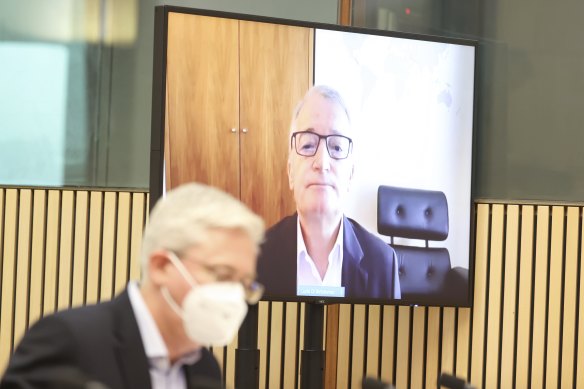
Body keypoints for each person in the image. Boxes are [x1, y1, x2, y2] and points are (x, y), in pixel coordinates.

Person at [1, 183, 265, 389]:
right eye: (222, 274)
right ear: (161, 266)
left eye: (244, 283)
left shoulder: (205, 371)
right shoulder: (71, 340)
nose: (235, 295)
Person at [257, 85, 400, 300]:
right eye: (307, 145)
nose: (322, 162)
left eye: (336, 147)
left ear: (350, 174)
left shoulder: (383, 264)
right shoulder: (255, 260)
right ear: (290, 173)